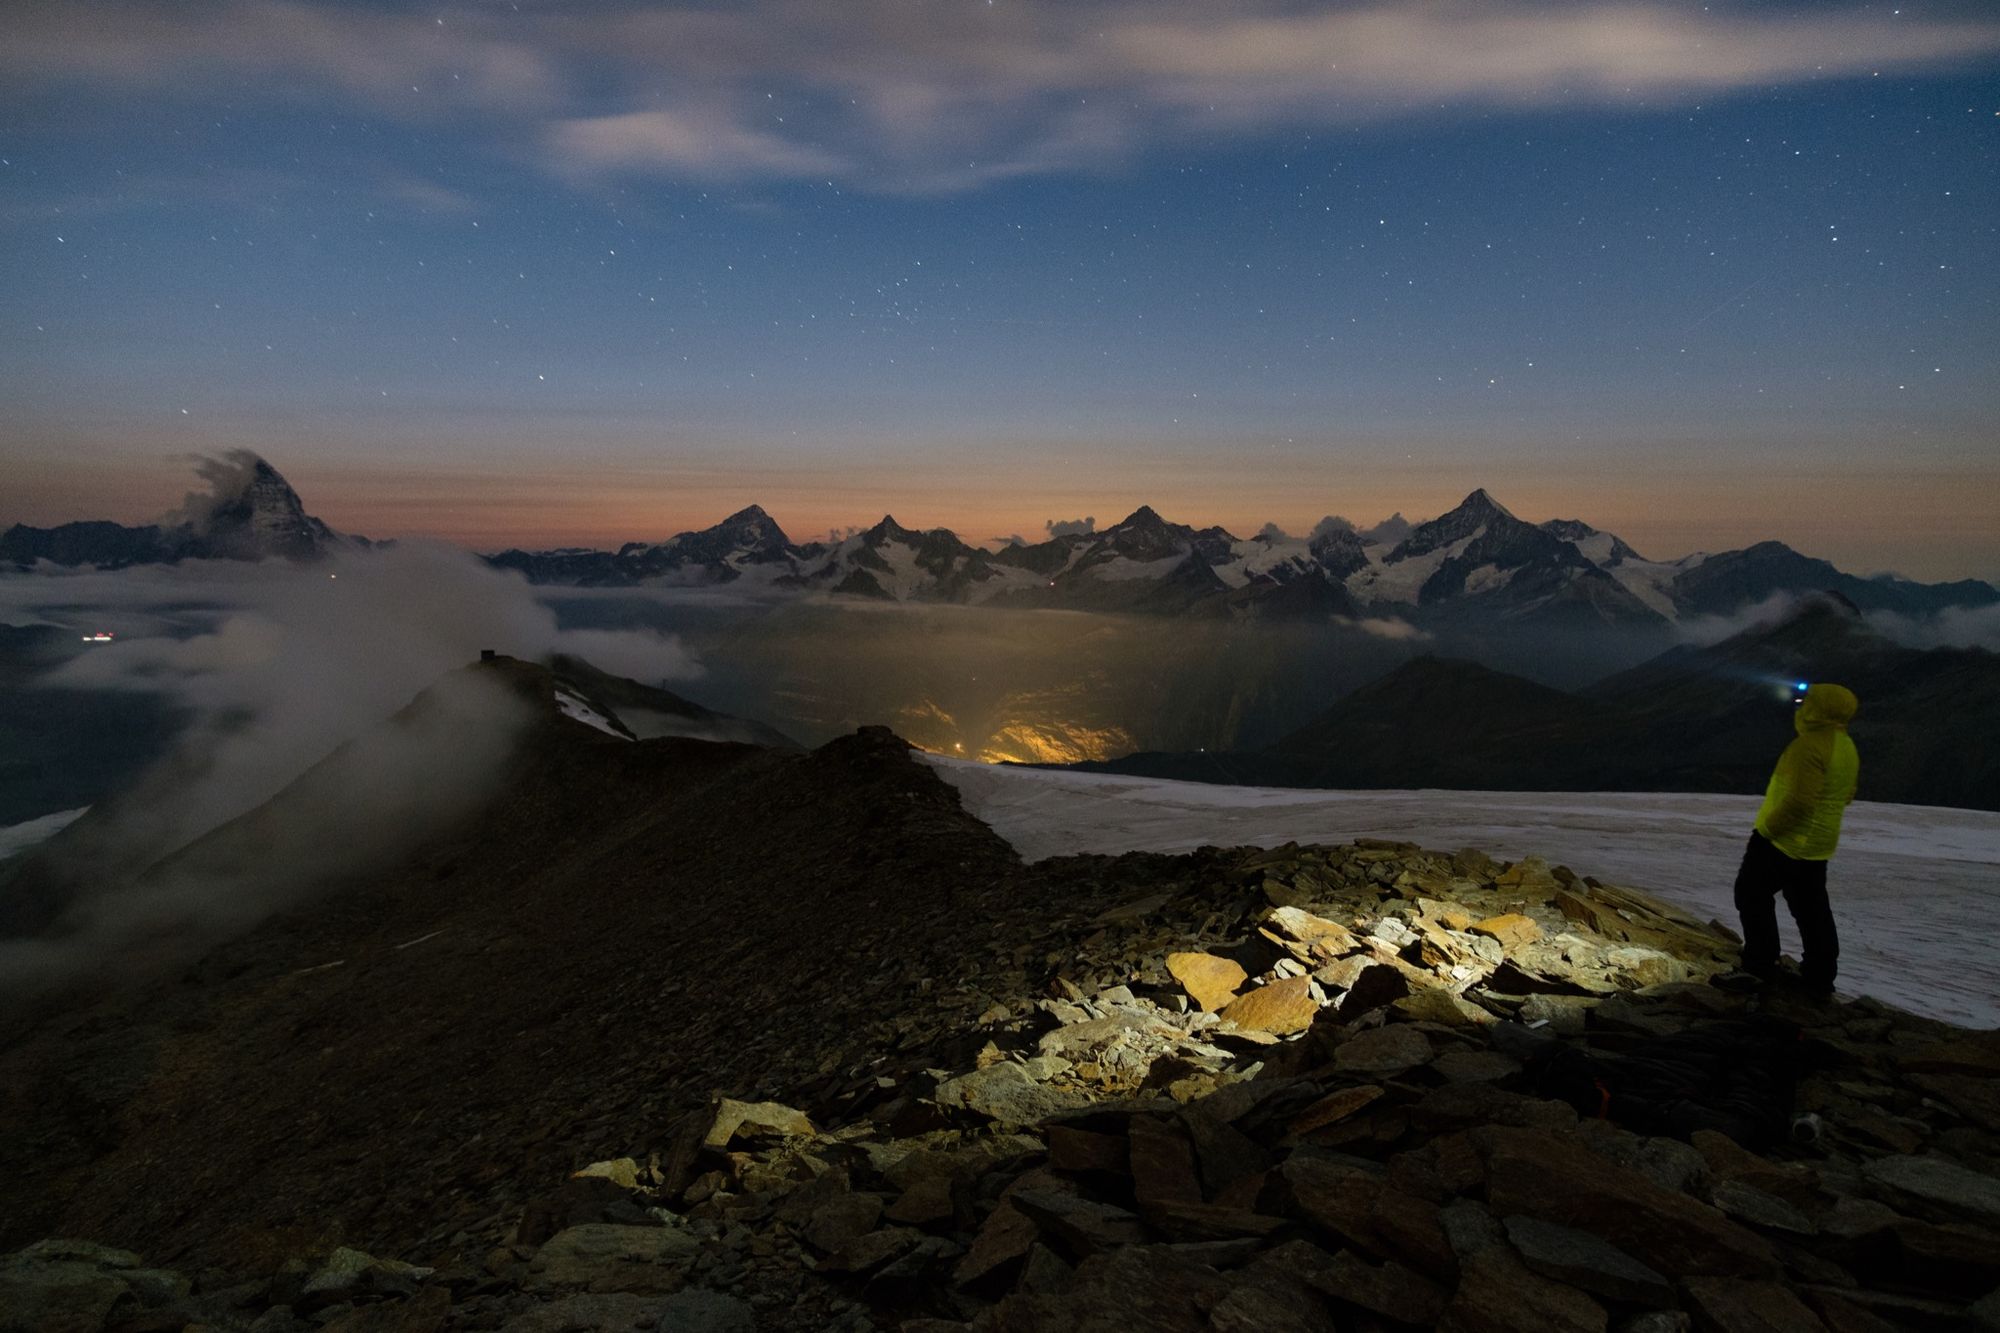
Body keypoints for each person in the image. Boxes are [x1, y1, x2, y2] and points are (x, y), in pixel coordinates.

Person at [1728, 682, 1860, 997]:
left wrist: (1768, 831)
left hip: (1787, 841)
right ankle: (1819, 979)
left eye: (1807, 702)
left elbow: (1800, 802)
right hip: (1817, 845)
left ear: (1819, 708)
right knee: (1811, 908)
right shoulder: (1845, 745)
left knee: (1751, 893)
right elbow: (1847, 794)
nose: (1801, 706)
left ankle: (1758, 965)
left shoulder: (1810, 746)